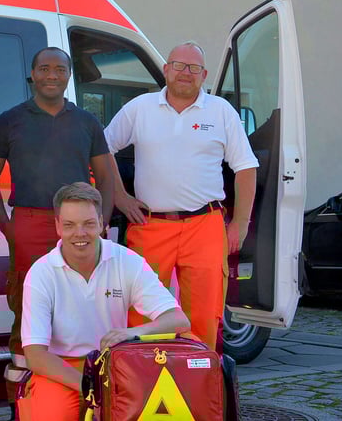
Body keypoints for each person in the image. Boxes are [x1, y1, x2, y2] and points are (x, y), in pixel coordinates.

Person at [0, 47, 116, 421]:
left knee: (78, 308)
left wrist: (100, 220)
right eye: (44, 68)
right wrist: (8, 227)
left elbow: (105, 178)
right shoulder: (10, 121)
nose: (52, 75)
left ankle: (75, 396)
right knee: (26, 314)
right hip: (29, 223)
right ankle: (20, 406)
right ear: (33, 75)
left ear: (69, 75)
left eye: (59, 69)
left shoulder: (87, 122)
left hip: (77, 229)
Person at [104, 41, 257, 352]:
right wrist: (119, 195)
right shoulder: (140, 107)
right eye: (179, 65)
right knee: (142, 312)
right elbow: (102, 147)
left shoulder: (221, 111)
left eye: (194, 68)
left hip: (205, 225)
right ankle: (141, 383)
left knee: (203, 314)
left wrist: (240, 223)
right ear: (166, 70)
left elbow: (246, 167)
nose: (186, 73)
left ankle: (201, 385)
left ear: (204, 75)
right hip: (150, 225)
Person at [18, 182, 191, 421]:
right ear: (57, 227)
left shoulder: (127, 261)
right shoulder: (41, 273)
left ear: (101, 223)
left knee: (188, 344)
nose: (80, 233)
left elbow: (179, 320)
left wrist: (135, 333)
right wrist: (91, 388)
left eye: (88, 223)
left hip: (113, 365)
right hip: (63, 368)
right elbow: (36, 356)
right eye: (70, 224)